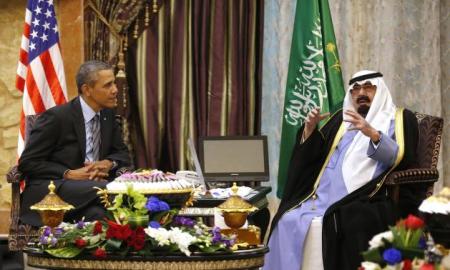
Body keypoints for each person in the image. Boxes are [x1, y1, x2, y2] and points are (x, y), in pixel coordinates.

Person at [264, 70, 425, 270]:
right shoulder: (340, 122)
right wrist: (309, 130)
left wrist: (372, 134)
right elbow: (314, 157)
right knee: (287, 218)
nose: (361, 93)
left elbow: (400, 158)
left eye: (368, 87)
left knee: (345, 222)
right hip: (321, 196)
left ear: (380, 90)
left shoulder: (399, 119)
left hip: (362, 194)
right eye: (355, 89)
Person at [19, 60, 131, 227]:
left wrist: (109, 163)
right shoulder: (57, 118)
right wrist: (68, 173)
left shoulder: (107, 116)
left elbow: (122, 154)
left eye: (114, 83)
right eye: (108, 85)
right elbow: (28, 163)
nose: (115, 90)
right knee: (114, 191)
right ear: (87, 90)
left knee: (102, 216)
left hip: (91, 192)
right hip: (55, 189)